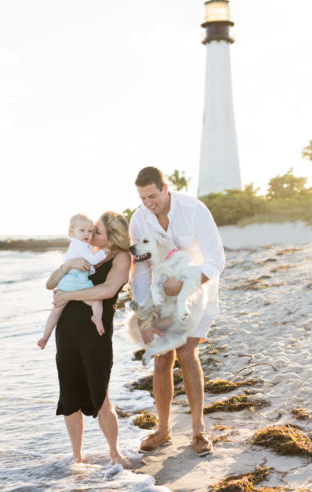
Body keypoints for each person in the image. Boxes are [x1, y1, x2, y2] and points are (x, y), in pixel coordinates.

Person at [129, 167, 225, 456]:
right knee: (161, 358)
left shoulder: (194, 210)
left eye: (152, 195)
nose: (148, 202)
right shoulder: (139, 218)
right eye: (143, 197)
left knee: (186, 354)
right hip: (160, 298)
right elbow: (141, 269)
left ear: (165, 188)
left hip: (199, 290)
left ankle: (198, 431)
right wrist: (146, 314)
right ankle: (163, 429)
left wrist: (184, 284)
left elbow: (216, 260)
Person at [47, 211, 131, 467]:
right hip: (67, 331)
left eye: (97, 231)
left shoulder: (121, 257)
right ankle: (76, 456)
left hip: (96, 333)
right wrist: (66, 266)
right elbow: (51, 284)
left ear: (110, 237)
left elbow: (107, 290)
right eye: (91, 230)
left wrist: (69, 296)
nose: (91, 234)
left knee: (101, 395)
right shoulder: (79, 253)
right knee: (69, 395)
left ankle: (115, 453)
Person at [37, 213, 110, 349]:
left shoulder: (74, 245)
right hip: (79, 282)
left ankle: (45, 336)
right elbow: (93, 260)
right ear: (72, 232)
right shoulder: (82, 246)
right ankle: (97, 318)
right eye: (82, 231)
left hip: (66, 283)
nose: (87, 234)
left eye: (90, 231)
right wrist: (103, 252)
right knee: (96, 300)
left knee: (56, 310)